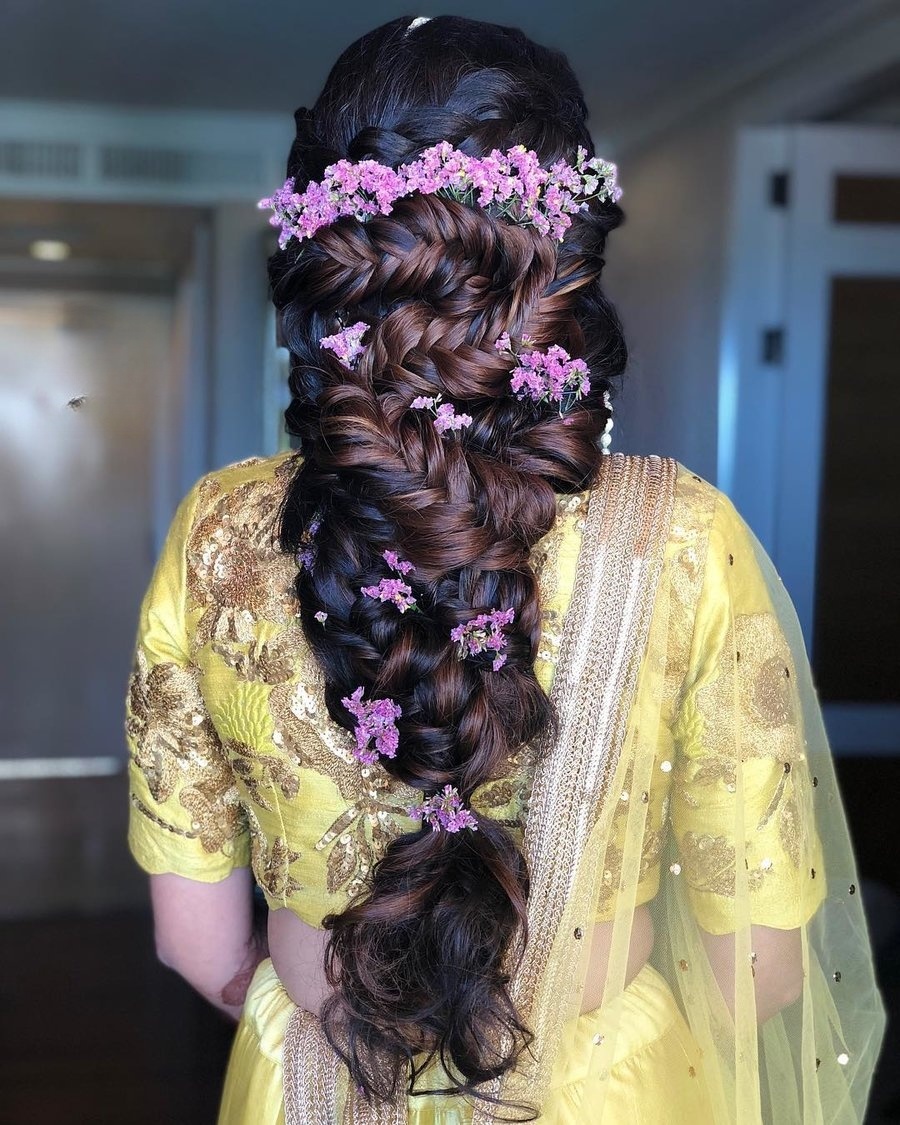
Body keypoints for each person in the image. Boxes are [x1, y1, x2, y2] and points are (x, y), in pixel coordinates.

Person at [124, 15, 885, 1124]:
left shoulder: (218, 533)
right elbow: (762, 970)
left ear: (329, 254)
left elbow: (194, 942)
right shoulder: (679, 536)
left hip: (317, 1081)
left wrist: (322, 1032)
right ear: (561, 261)